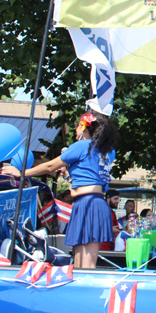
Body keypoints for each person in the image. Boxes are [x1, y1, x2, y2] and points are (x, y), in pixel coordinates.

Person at [2, 112, 119, 269]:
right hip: (92, 202)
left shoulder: (82, 146)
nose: (76, 128)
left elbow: (50, 166)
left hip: (88, 204)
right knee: (81, 261)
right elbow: (91, 176)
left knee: (84, 263)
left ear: (85, 128)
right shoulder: (108, 152)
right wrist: (69, 175)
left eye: (78, 125)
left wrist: (21, 173)